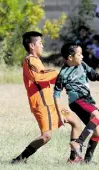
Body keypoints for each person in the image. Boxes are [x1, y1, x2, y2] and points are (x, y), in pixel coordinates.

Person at [11, 31, 83, 164]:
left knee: (76, 122)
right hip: (42, 104)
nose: (42, 46)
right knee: (46, 136)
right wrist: (56, 72)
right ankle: (19, 159)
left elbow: (45, 78)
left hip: (51, 102)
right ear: (32, 46)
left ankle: (74, 158)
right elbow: (38, 77)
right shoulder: (29, 60)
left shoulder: (37, 60)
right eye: (40, 43)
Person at [54, 43, 99, 164]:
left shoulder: (82, 65)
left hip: (87, 100)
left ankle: (86, 161)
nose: (82, 56)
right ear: (70, 57)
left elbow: (92, 74)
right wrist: (59, 114)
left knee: (98, 131)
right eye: (79, 54)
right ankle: (78, 142)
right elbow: (56, 94)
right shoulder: (63, 74)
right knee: (98, 115)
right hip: (77, 101)